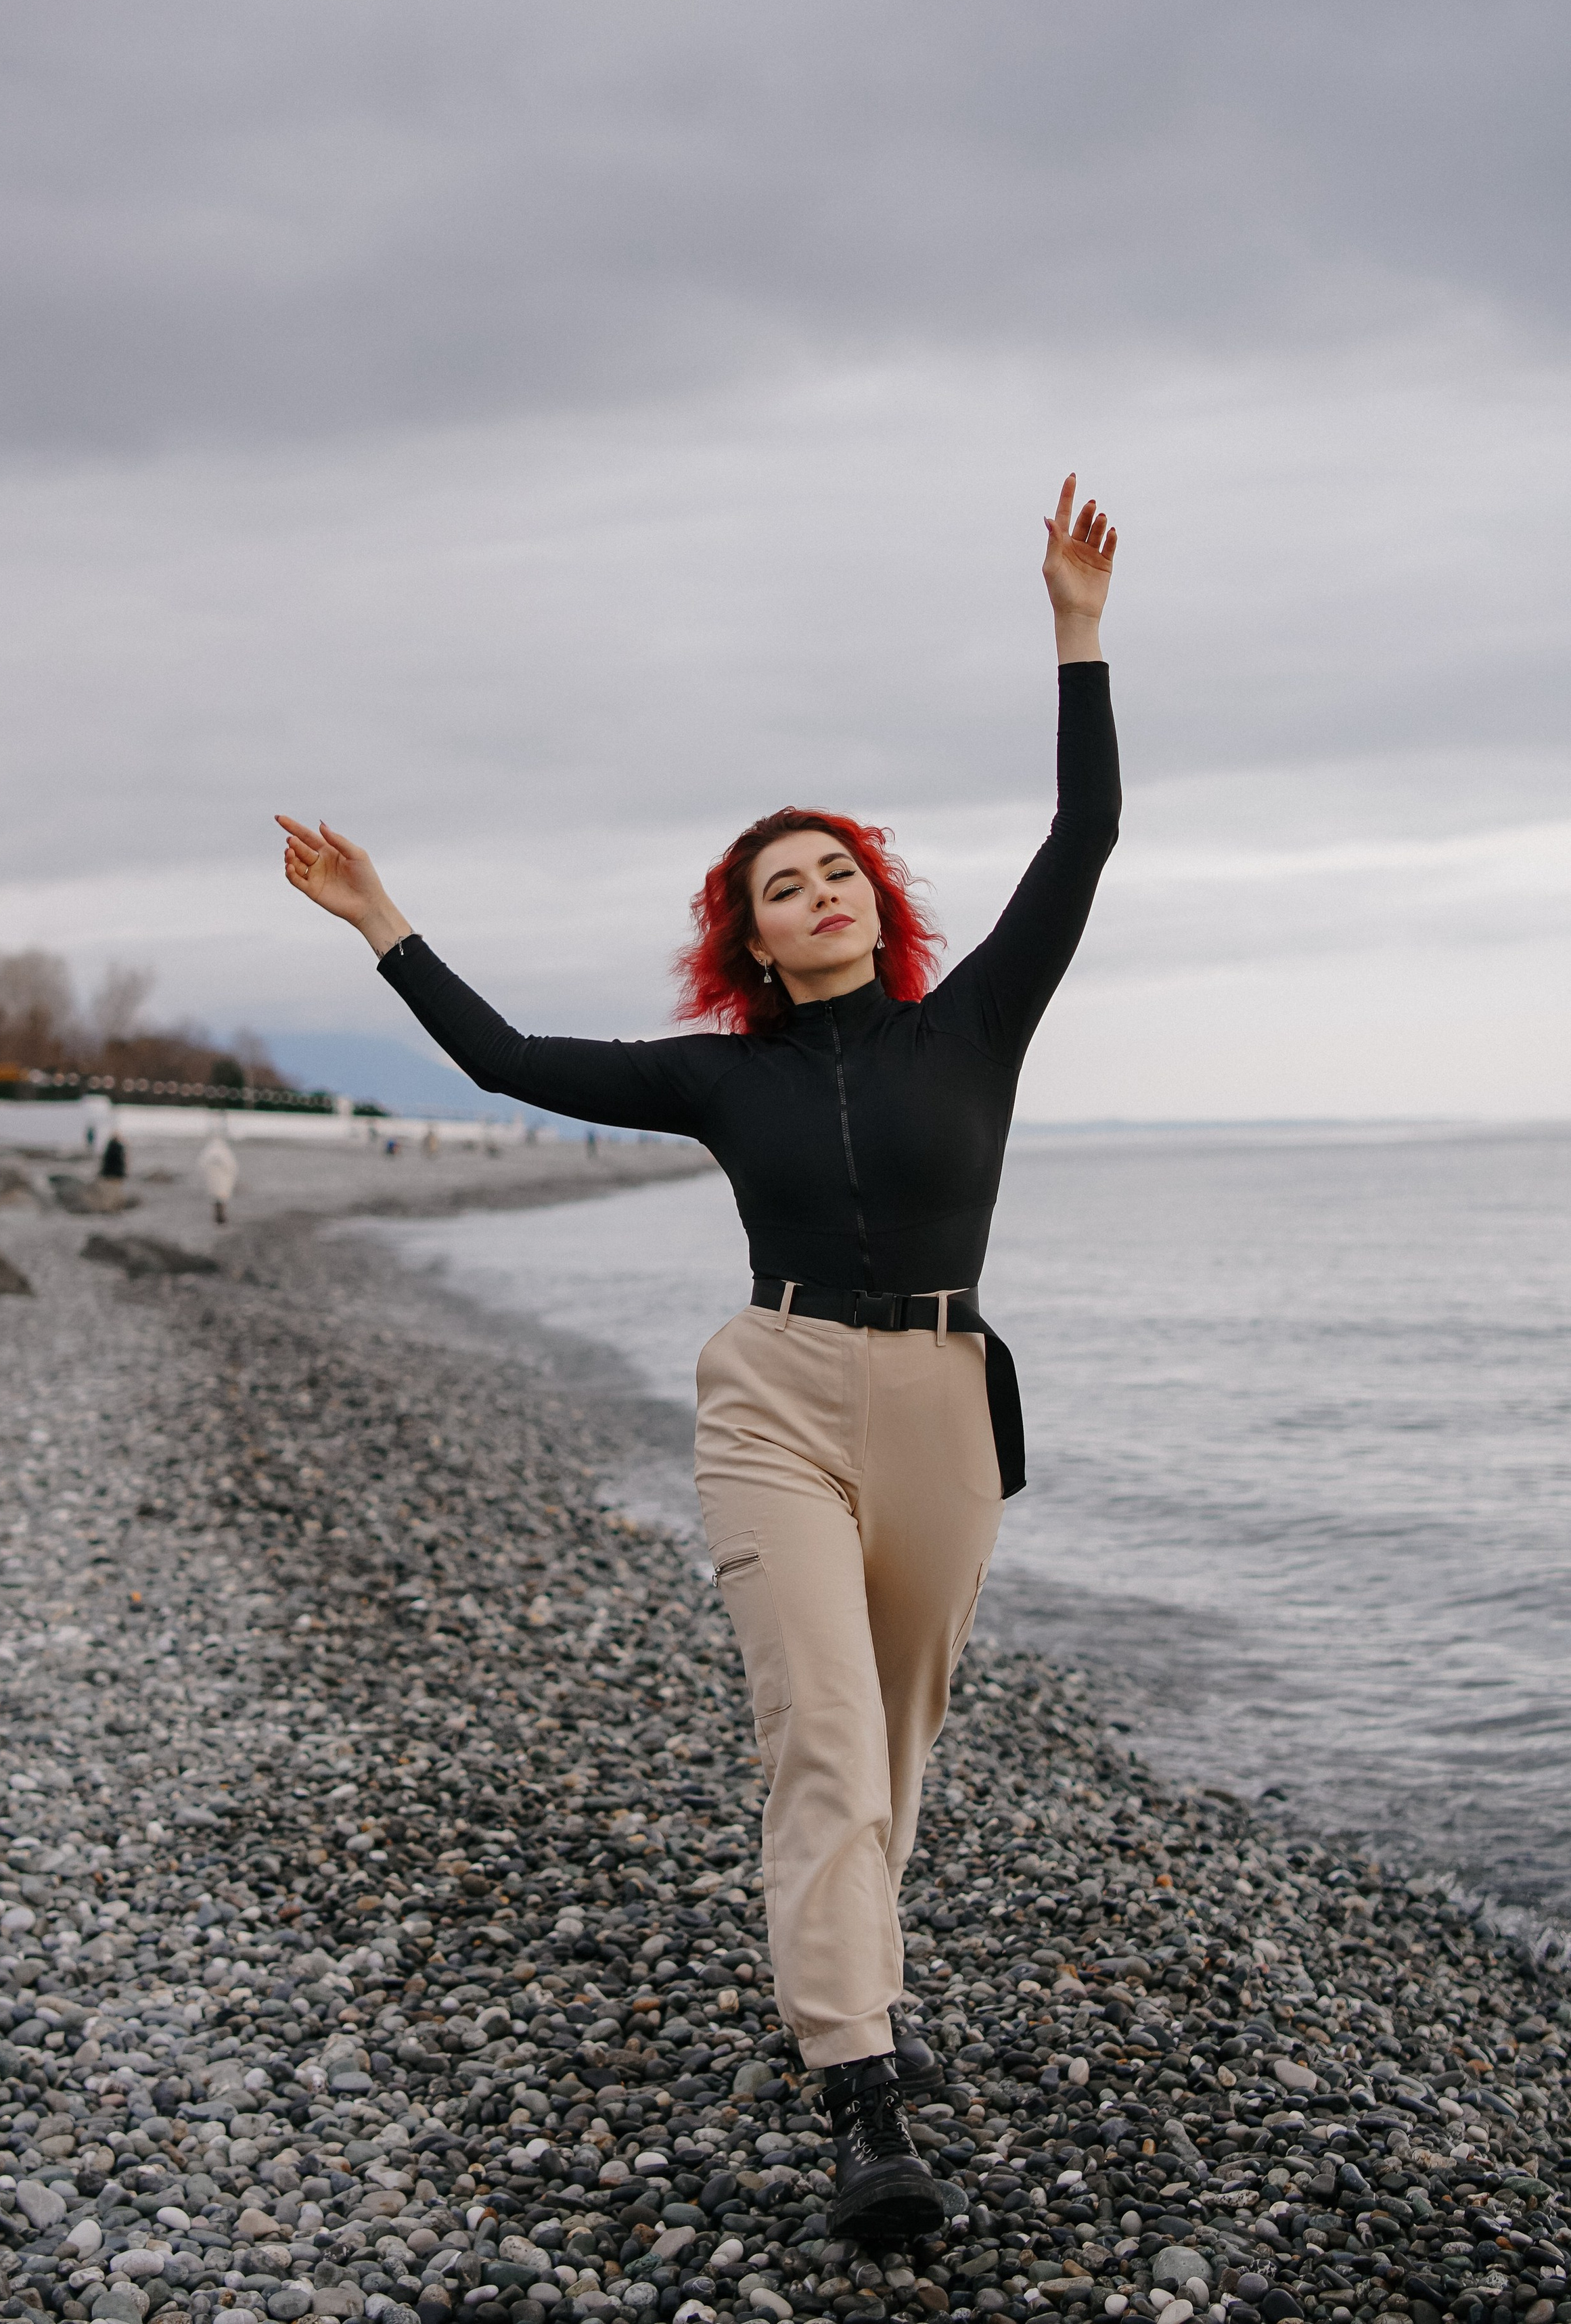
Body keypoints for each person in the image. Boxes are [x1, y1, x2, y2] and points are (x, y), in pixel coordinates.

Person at [276, 475, 1120, 2243]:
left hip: (947, 1408)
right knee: (821, 1731)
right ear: (747, 938)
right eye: (778, 889)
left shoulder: (976, 1022)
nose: (814, 896)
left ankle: (850, 1970)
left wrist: (1075, 632)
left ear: (876, 902)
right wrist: (379, 919)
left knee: (894, 1740)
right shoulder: (717, 1077)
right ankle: (862, 2093)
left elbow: (1085, 832)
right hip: (776, 1403)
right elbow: (505, 1061)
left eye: (835, 873)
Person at [198, 1129, 239, 1225]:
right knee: (222, 1199)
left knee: (216, 1200)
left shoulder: (209, 1151)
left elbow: (202, 1165)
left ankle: (218, 1218)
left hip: (213, 1181)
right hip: (223, 1181)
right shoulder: (225, 1152)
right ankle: (221, 1218)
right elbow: (232, 1166)